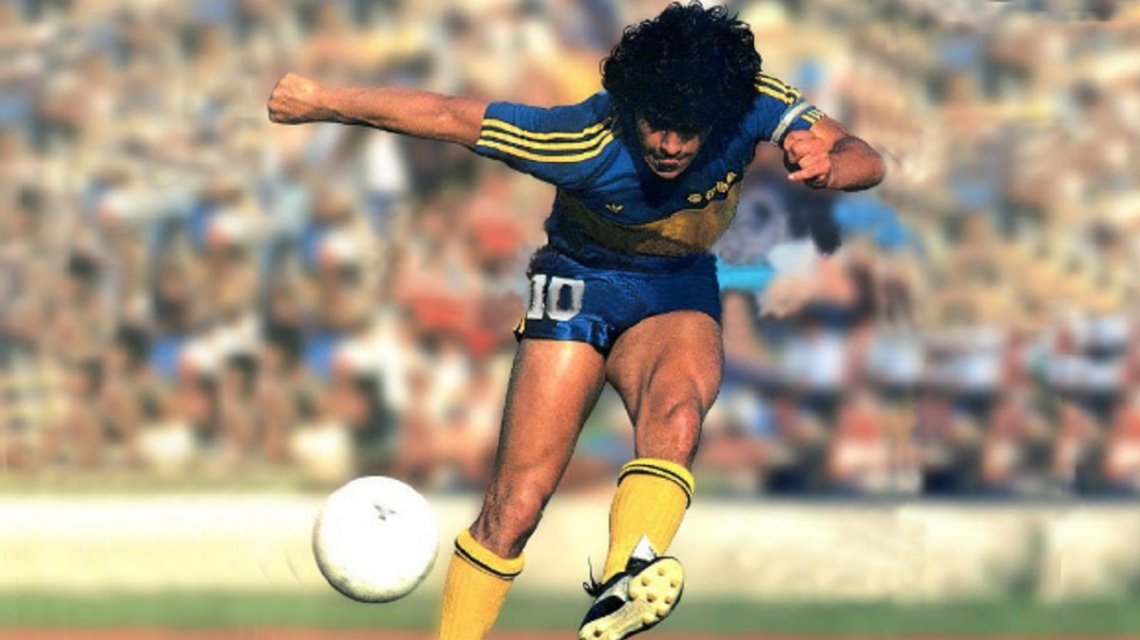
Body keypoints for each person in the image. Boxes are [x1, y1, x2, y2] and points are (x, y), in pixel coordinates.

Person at [267, 3, 884, 639]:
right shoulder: (581, 140)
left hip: (677, 283)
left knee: (677, 415)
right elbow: (451, 116)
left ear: (720, 114)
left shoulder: (751, 101)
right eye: (656, 124)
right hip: (579, 285)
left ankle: (624, 582)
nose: (670, 146)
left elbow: (865, 156)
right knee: (514, 509)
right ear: (632, 104)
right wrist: (320, 100)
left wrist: (833, 166)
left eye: (688, 131)